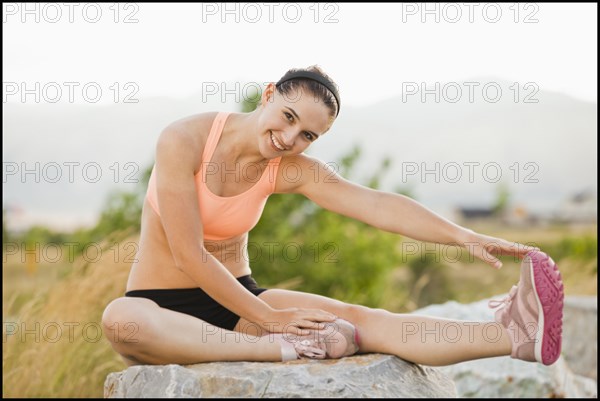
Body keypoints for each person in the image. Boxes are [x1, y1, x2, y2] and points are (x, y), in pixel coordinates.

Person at [101, 65, 564, 367]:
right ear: (267, 95)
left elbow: (375, 204)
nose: (288, 138)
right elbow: (187, 254)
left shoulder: (288, 169)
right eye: (285, 116)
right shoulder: (183, 140)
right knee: (121, 320)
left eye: (306, 135)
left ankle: (516, 335)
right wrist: (274, 321)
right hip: (160, 306)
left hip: (239, 303)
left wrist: (461, 236)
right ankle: (279, 350)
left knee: (363, 319)